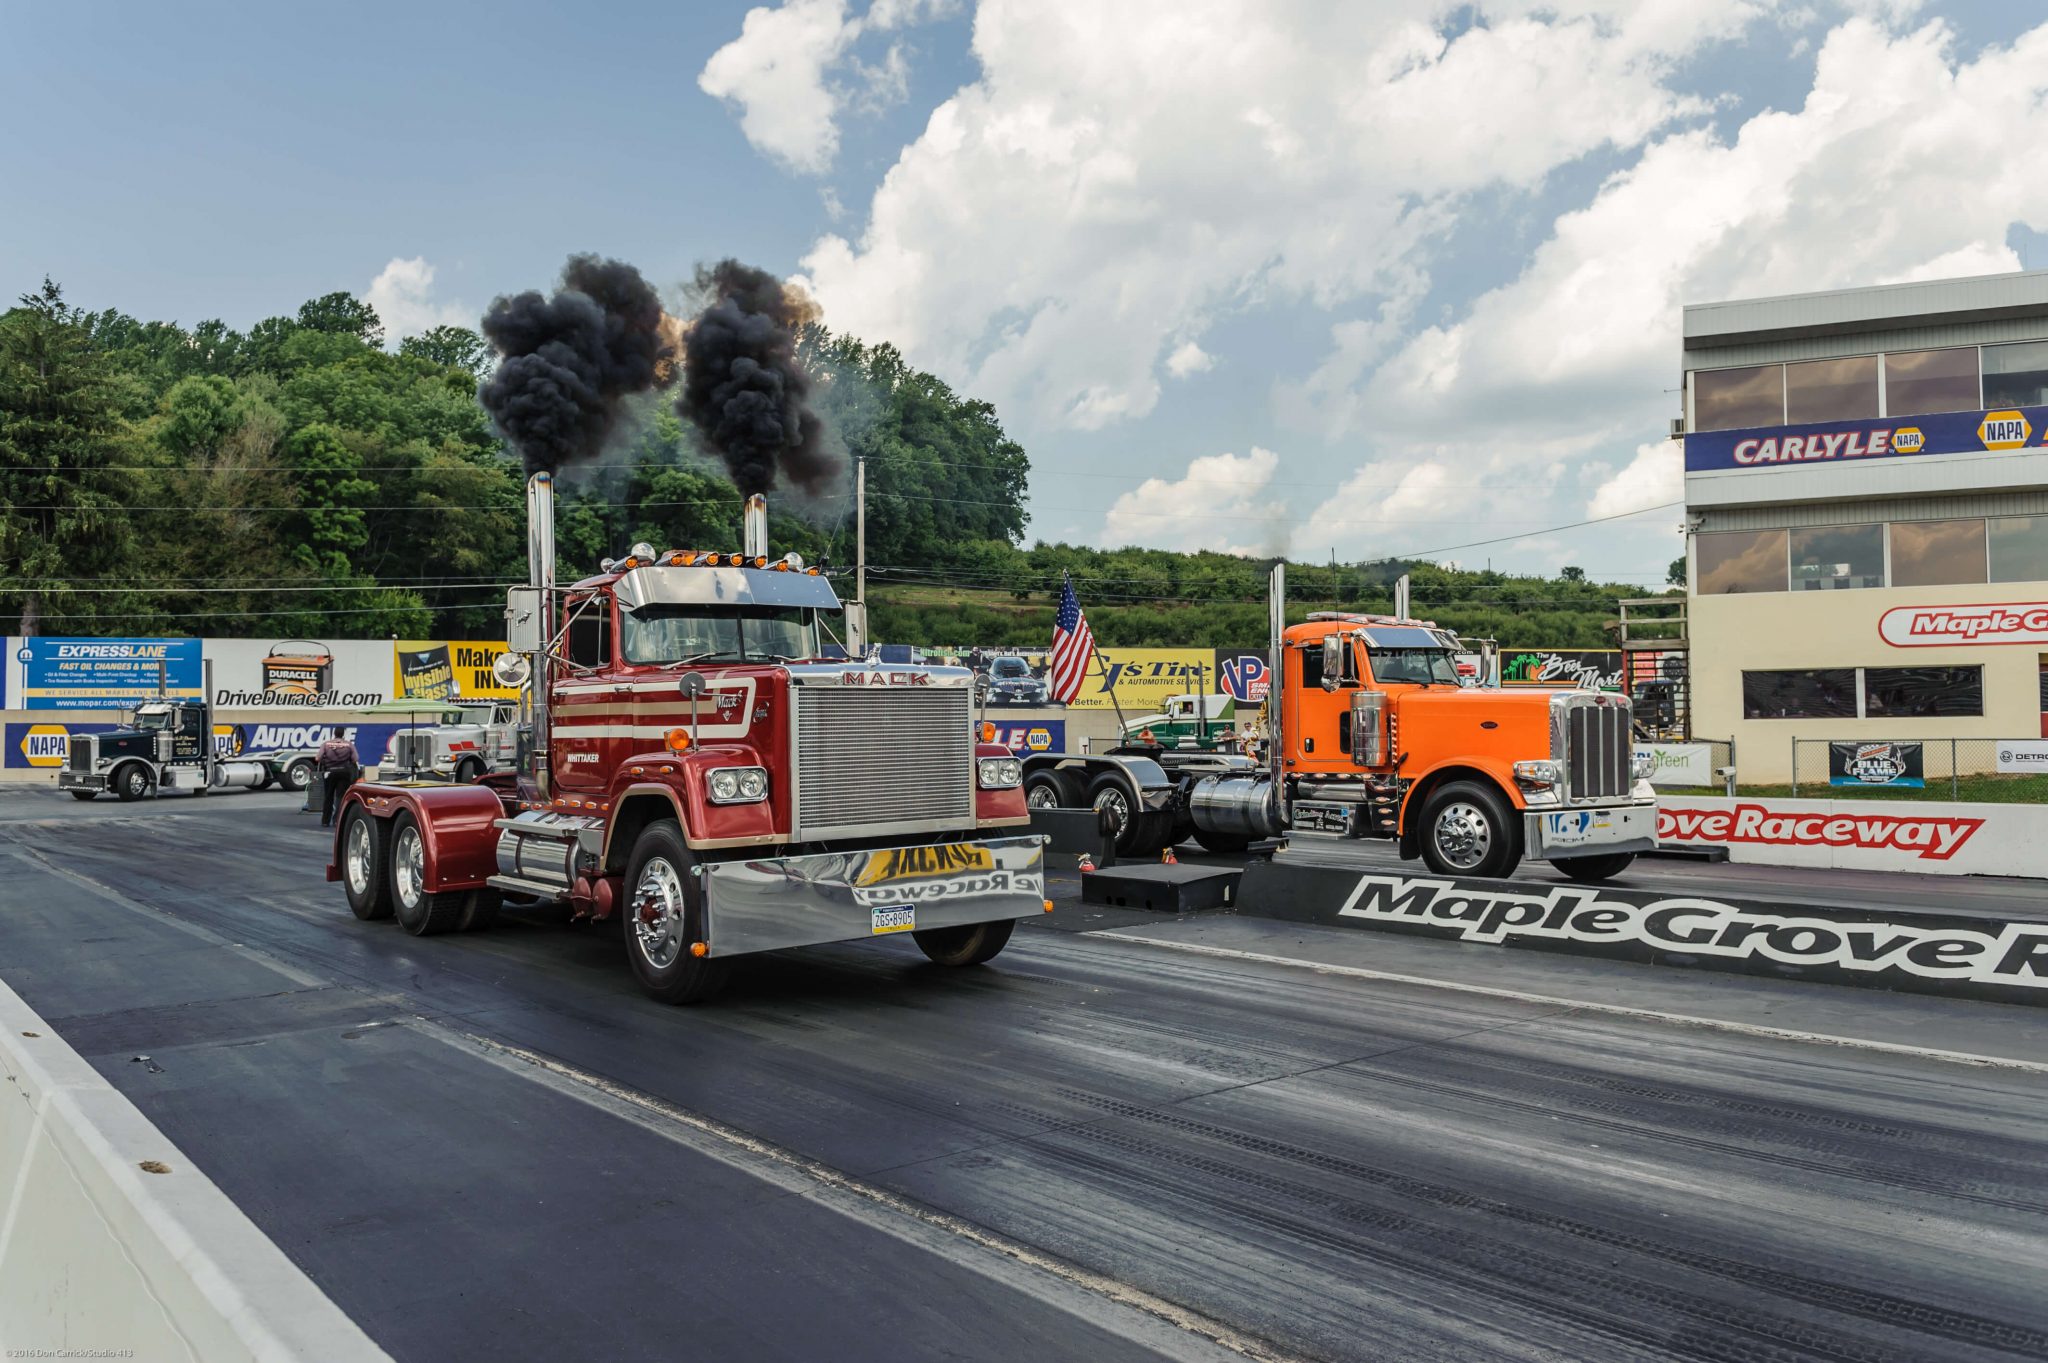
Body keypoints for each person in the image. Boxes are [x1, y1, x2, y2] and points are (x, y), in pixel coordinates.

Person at [316, 726, 359, 828]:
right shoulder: (349, 745)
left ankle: (325, 821)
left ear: (334, 733)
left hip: (330, 773)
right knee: (340, 797)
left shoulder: (326, 744)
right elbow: (355, 759)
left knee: (328, 797)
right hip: (344, 773)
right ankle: (337, 821)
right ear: (343, 734)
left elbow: (318, 758)